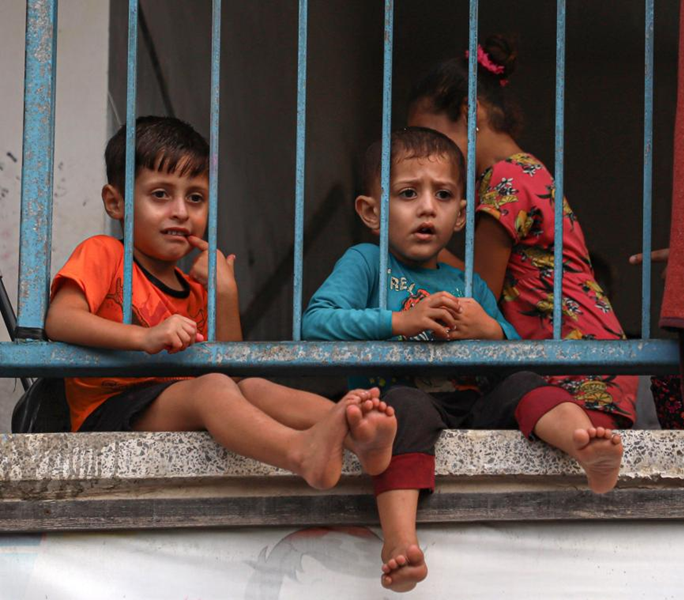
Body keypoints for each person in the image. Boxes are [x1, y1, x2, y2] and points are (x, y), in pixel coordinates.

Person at [303, 127, 623, 593]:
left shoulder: (467, 284)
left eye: (444, 195)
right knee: (402, 410)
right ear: (371, 212)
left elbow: (514, 353)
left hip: (473, 402)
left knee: (524, 382)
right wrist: (400, 321)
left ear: (459, 215)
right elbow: (317, 322)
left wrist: (491, 332)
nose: (427, 208)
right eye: (408, 193)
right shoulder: (367, 262)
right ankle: (399, 541)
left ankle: (585, 447)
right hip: (403, 401)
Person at [44, 116, 396, 490]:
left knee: (254, 387)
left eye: (195, 198)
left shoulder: (196, 289)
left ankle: (357, 431)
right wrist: (143, 337)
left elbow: (233, 375)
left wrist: (225, 295)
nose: (181, 211)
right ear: (115, 202)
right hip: (110, 409)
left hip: (179, 403)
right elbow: (60, 320)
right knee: (211, 388)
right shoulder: (105, 253)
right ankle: (299, 452)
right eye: (160, 194)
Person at [407, 33, 639, 431]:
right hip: (590, 366)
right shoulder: (524, 170)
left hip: (573, 374)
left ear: (468, 112)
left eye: (429, 137)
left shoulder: (506, 179)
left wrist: (415, 248)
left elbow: (479, 294)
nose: (424, 155)